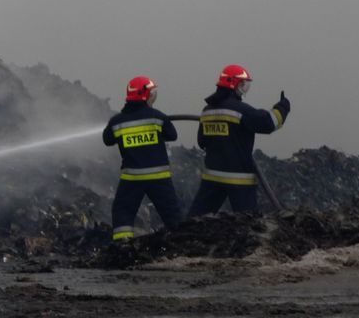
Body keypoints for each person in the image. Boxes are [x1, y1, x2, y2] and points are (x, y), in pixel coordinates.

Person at [187, 64, 290, 217]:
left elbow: (202, 141)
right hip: (239, 180)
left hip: (212, 177)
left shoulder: (207, 110)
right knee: (249, 226)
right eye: (244, 85)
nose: (245, 89)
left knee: (195, 221)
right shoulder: (241, 110)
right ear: (235, 84)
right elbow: (268, 123)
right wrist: (283, 107)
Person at [102, 76, 181, 242]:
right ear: (146, 95)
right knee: (171, 213)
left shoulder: (117, 122)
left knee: (123, 210)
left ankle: (122, 245)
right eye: (152, 93)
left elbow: (107, 140)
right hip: (158, 178)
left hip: (132, 177)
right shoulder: (157, 117)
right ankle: (181, 243)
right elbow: (172, 135)